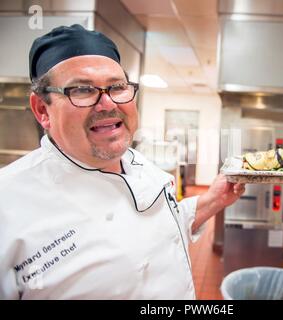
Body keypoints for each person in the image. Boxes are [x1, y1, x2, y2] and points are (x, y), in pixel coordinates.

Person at [0, 25, 245, 299]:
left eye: (117, 87)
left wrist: (212, 200)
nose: (107, 103)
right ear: (42, 110)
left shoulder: (138, 163)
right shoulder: (7, 205)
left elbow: (163, 226)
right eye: (82, 90)